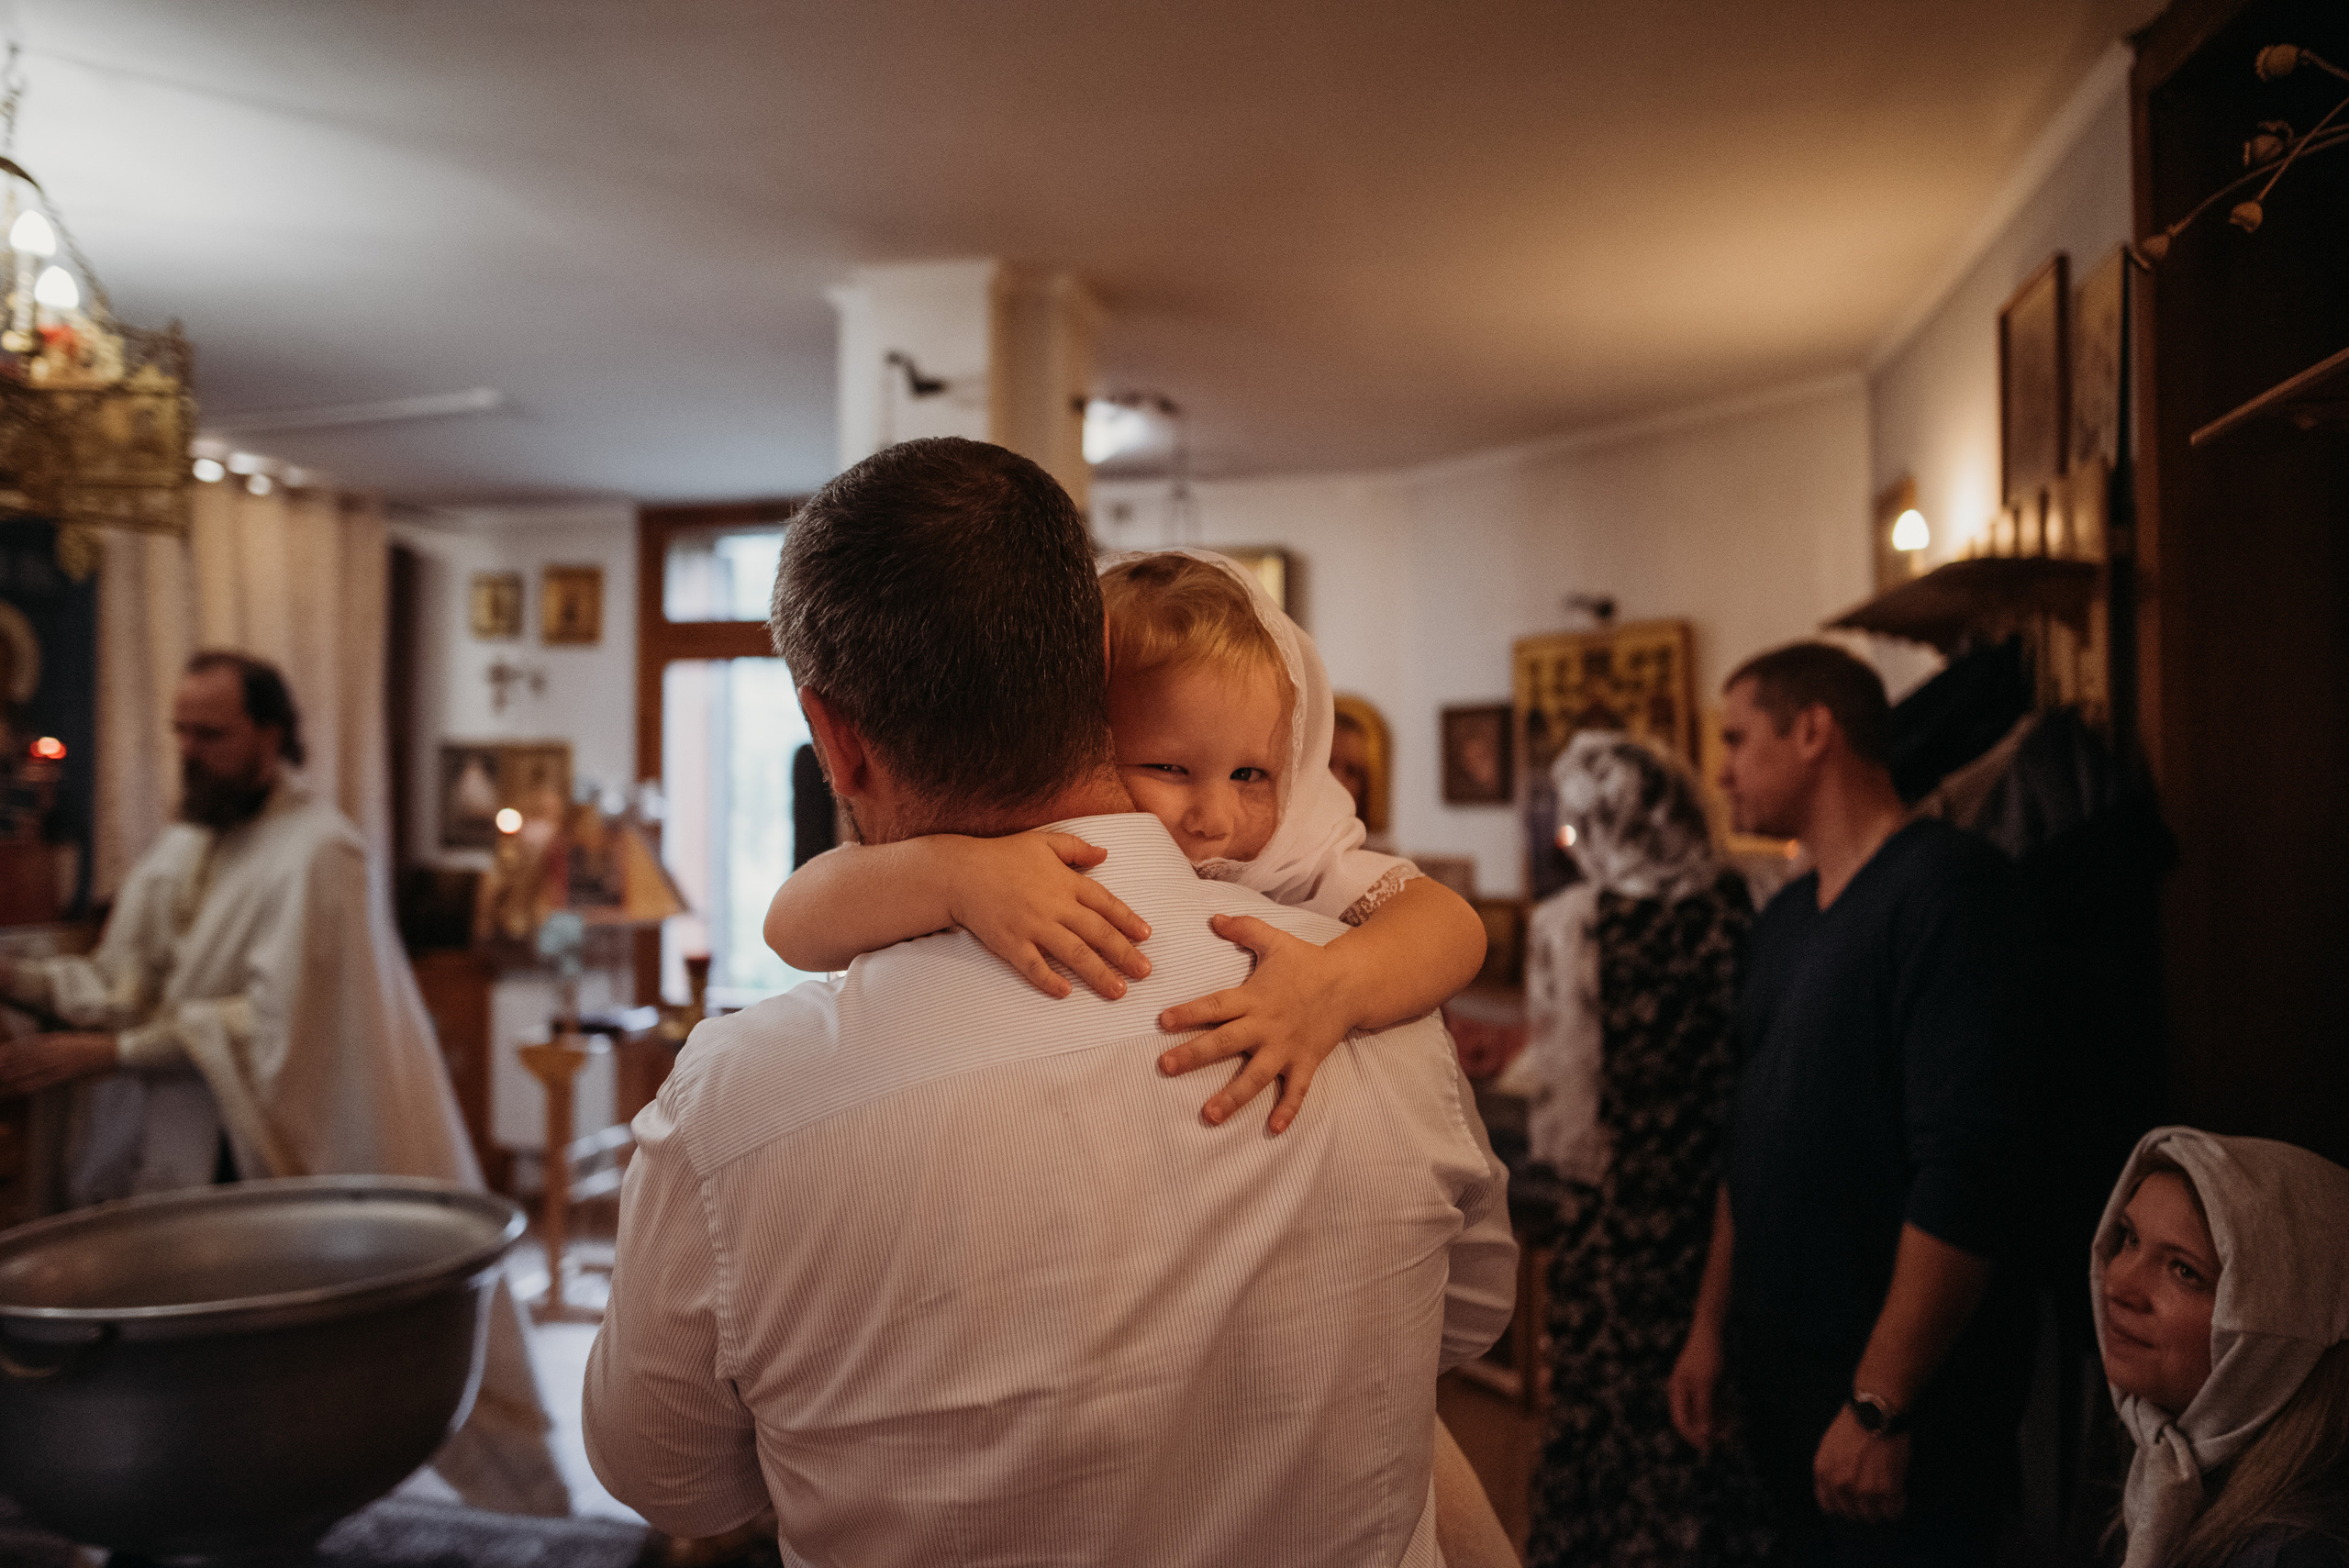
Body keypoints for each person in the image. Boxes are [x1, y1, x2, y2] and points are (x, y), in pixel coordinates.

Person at [584, 438, 1518, 1563]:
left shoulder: (741, 1108)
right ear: (1087, 679)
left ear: (835, 737)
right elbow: (1462, 1323)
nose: (1217, 809)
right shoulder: (1375, 1017)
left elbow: (672, 1476)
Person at [0, 651, 569, 1517]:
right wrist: (25, 978)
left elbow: (277, 1029)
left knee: (273, 1392)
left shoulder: (321, 852)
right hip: (172, 1149)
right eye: (181, 731)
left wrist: (105, 1056)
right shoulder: (185, 843)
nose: (190, 750)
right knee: (168, 1395)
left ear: (270, 735)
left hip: (262, 1152)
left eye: (212, 732)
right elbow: (126, 985)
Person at [763, 546, 1488, 1134]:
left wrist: (1339, 984)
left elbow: (1452, 926)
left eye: (1251, 773)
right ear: (1090, 742)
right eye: (1169, 767)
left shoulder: (1298, 855)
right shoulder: (1027, 852)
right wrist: (950, 873)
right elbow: (792, 923)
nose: (1213, 815)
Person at [1668, 641, 2038, 1565]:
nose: (1718, 771)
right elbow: (1746, 1136)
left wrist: (1881, 1399)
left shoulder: (1948, 888)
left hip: (1901, 1410)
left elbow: (1966, 1169)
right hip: (1782, 1380)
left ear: (1812, 730)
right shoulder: (1786, 914)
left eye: (1734, 738)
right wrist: (1709, 1328)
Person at [1505, 731, 1773, 1566]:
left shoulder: (1573, 924)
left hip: (1619, 1229)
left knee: (1608, 1433)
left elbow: (1567, 1122)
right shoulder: (1750, 902)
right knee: (1707, 1435)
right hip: (1727, 1214)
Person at [2095, 1127, 2349, 1568]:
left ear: (2279, 1327)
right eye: (2129, 1238)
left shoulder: (2294, 1552)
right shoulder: (2166, 1467)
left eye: (2184, 1271)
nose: (2116, 1284)